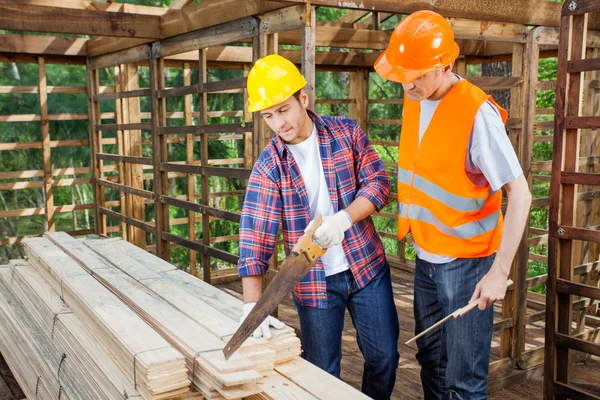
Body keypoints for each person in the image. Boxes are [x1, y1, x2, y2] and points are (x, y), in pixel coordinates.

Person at [375, 10, 532, 400]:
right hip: (426, 259)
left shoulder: (477, 114)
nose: (407, 86)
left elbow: (521, 194)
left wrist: (499, 273)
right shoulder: (416, 95)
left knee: (463, 379)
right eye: (403, 78)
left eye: (416, 78)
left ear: (445, 65)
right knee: (432, 363)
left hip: (468, 266)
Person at [237, 54, 400, 399]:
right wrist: (253, 308)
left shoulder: (346, 133)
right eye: (268, 116)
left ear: (304, 99)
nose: (277, 123)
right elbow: (255, 240)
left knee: (384, 357)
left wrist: (345, 218)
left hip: (366, 268)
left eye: (283, 110)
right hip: (312, 281)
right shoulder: (269, 167)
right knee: (322, 371)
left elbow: (379, 183)